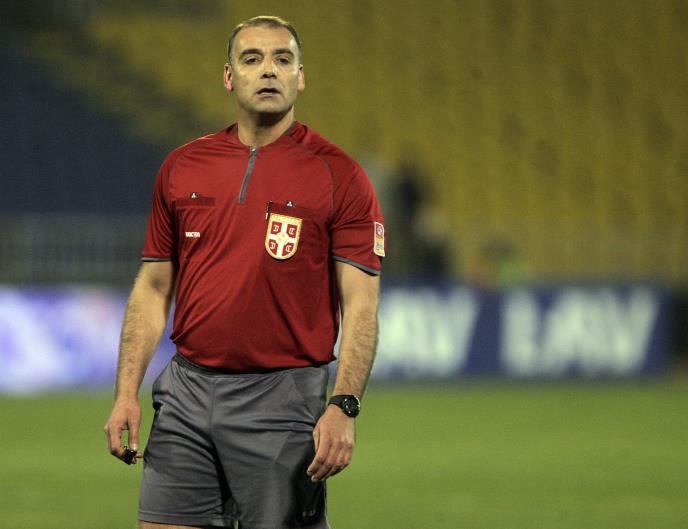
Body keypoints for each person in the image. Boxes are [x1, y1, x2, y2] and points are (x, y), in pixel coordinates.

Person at [103, 15, 385, 529]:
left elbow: (361, 303)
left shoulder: (340, 176)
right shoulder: (183, 166)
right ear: (229, 76)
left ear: (301, 76)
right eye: (252, 59)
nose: (269, 70)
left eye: (283, 59)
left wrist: (344, 405)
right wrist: (126, 393)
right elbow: (153, 289)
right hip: (185, 392)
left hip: (281, 399)